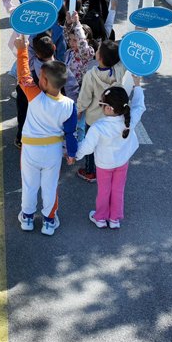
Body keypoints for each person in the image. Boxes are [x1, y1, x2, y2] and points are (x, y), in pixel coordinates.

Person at [14, 33, 77, 237]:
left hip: (30, 150)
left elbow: (23, 75)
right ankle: (49, 221)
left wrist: (22, 50)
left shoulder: (35, 96)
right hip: (53, 152)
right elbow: (70, 133)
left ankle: (27, 218)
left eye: (40, 76)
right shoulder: (69, 105)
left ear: (47, 82)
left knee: (29, 184)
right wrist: (71, 154)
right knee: (50, 187)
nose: (36, 78)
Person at [76, 78, 146, 230]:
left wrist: (74, 155)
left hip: (104, 165)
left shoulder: (98, 127)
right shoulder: (129, 120)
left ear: (109, 109)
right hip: (122, 163)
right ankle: (115, 219)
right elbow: (139, 106)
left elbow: (87, 148)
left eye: (101, 104)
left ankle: (100, 217)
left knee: (104, 191)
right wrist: (137, 85)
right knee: (118, 190)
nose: (100, 107)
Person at [76, 41, 132, 182]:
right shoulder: (118, 70)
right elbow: (126, 61)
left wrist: (79, 109)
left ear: (99, 57)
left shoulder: (90, 75)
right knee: (107, 144)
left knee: (91, 143)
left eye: (98, 49)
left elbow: (85, 97)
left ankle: (90, 171)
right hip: (113, 116)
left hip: (94, 118)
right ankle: (108, 167)